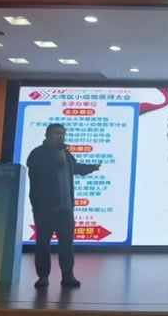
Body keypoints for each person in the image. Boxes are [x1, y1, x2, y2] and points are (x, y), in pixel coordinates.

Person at [26, 123, 100, 289]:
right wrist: (56, 161)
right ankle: (43, 277)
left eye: (62, 134)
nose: (60, 137)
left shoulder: (65, 153)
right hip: (45, 209)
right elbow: (39, 174)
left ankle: (68, 276)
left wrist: (91, 168)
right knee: (43, 244)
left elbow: (75, 168)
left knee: (67, 244)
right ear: (47, 135)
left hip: (65, 209)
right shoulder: (37, 154)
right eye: (56, 133)